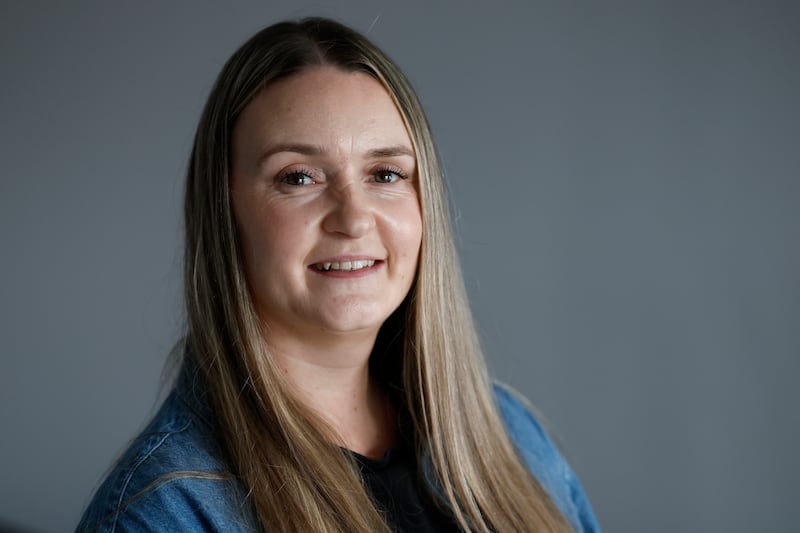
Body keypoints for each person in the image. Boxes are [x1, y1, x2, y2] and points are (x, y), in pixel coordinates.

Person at [77, 17, 599, 533]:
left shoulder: (510, 435)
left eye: (385, 174)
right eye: (298, 177)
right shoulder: (161, 512)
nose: (352, 218)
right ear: (224, 213)